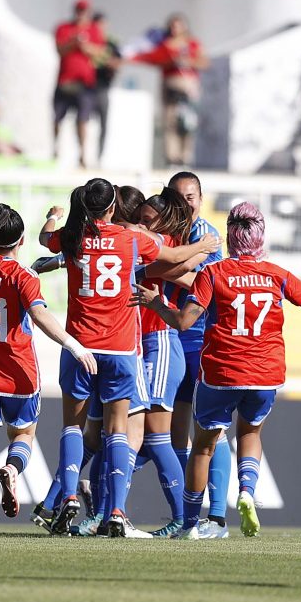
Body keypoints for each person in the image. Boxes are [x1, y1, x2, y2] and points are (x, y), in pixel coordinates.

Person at [37, 177, 217, 537]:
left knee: (80, 428)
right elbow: (173, 258)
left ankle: (70, 496)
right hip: (121, 348)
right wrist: (207, 245)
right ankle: (114, 510)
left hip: (84, 346)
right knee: (117, 432)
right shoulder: (132, 239)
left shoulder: (73, 238)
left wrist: (54, 218)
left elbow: (46, 238)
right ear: (113, 208)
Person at [136, 202, 301, 540]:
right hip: (266, 373)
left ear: (229, 238)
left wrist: (155, 303)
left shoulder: (213, 273)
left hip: (221, 372)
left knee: (204, 447)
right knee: (250, 434)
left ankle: (191, 525)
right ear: (260, 236)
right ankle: (247, 492)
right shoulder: (276, 274)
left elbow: (184, 321)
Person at [0, 203, 97, 546]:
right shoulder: (23, 276)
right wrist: (75, 345)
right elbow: (40, 317)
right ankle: (12, 470)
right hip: (19, 375)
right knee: (24, 435)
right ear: (22, 240)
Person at [133, 187, 211, 537]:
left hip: (166, 342)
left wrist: (195, 253)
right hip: (144, 343)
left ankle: (194, 517)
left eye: (147, 220)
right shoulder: (153, 243)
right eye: (138, 219)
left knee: (163, 436)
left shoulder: (157, 242)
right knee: (152, 436)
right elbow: (181, 270)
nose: (140, 225)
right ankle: (104, 503)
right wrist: (198, 250)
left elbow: (192, 277)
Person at [166, 170, 229, 537]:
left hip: (199, 338)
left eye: (191, 196)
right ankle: (184, 515)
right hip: (168, 336)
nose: (186, 203)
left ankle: (217, 516)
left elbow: (205, 285)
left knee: (209, 430)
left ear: (200, 199)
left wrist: (165, 268)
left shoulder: (207, 237)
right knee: (174, 434)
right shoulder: (165, 232)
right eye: (179, 196)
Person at [132, 14, 209, 166]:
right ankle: (172, 157)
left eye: (178, 26)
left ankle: (185, 157)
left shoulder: (192, 44)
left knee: (188, 123)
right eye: (172, 26)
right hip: (171, 86)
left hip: (188, 86)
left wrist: (189, 61)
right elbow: (152, 59)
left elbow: (204, 62)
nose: (175, 29)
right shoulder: (165, 45)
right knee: (170, 122)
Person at [53, 0, 105, 167]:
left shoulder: (94, 30)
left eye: (84, 11)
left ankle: (82, 156)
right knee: (57, 118)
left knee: (83, 120)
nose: (81, 14)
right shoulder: (63, 28)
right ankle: (55, 150)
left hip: (85, 84)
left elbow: (99, 53)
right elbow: (60, 50)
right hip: (65, 81)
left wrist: (84, 46)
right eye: (79, 10)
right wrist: (73, 42)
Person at [91, 12, 121, 157]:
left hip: (102, 87)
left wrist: (106, 61)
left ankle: (99, 155)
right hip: (87, 87)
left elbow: (117, 62)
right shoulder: (88, 40)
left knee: (103, 123)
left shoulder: (110, 43)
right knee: (83, 121)